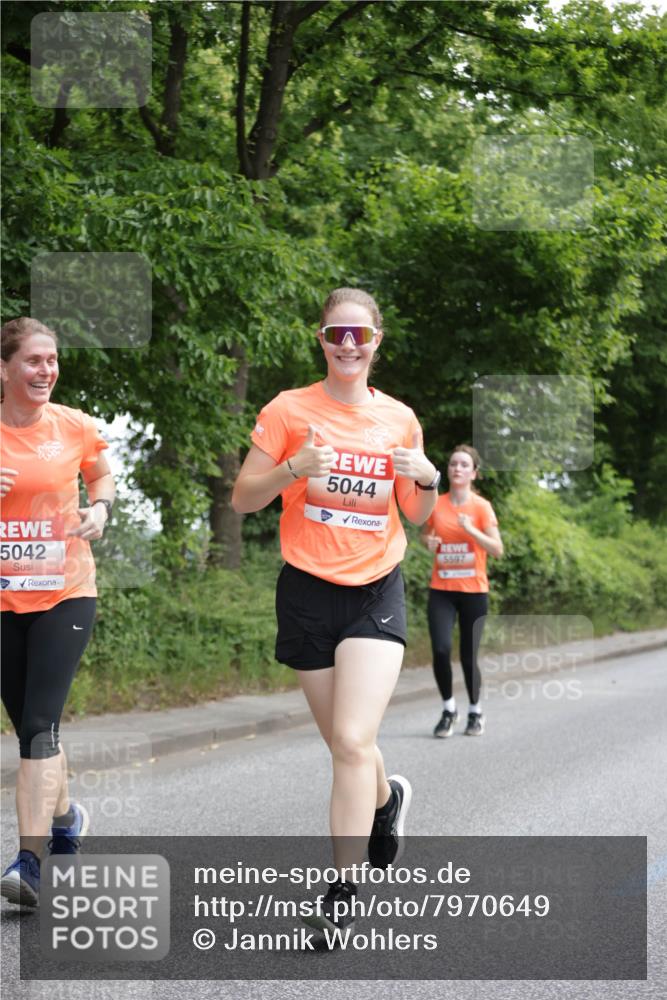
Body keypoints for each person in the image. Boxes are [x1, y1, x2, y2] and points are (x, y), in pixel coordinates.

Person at [232, 288, 440, 934]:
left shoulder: (400, 420)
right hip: (306, 591)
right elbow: (242, 500)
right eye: (335, 334)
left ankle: (340, 893)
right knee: (346, 746)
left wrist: (428, 478)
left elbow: (415, 513)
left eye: (360, 335)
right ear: (320, 339)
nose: (348, 345)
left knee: (351, 741)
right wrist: (293, 466)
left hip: (375, 589)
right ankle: (386, 800)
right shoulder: (287, 410)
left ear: (377, 341)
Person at [0, 317, 115, 907]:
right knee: (29, 728)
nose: (46, 370)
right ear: (4, 367)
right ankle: (67, 818)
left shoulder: (73, 424)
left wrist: (100, 509)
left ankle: (30, 860)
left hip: (66, 592)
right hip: (2, 599)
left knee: (39, 726)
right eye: (33, 361)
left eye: (52, 360)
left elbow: (101, 474)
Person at [422, 445, 503, 739]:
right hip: (441, 589)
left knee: (469, 656)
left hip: (473, 591)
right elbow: (426, 533)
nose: (457, 468)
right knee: (441, 650)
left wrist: (471, 531)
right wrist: (427, 542)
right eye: (453, 463)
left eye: (464, 465)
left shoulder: (481, 507)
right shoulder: (437, 503)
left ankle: (475, 711)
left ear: (474, 473)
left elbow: (497, 549)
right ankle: (448, 709)